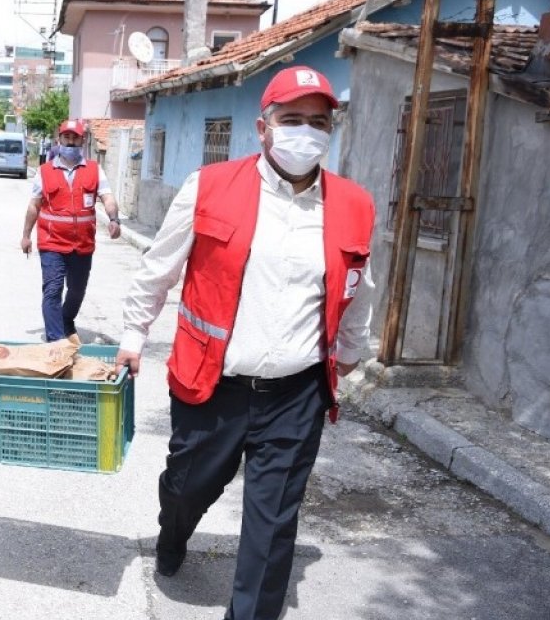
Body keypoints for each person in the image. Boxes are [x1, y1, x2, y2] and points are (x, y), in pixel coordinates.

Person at [113, 66, 375, 620]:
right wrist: (134, 333)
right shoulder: (210, 186)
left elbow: (358, 285)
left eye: (318, 122)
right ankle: (174, 531)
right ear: (263, 127)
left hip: (296, 393)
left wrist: (351, 350)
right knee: (187, 486)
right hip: (214, 383)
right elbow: (159, 268)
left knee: (274, 518)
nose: (306, 131)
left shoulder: (352, 204)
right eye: (292, 119)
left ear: (331, 131)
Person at [20, 119, 120, 341]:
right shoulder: (44, 171)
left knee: (76, 291)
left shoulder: (95, 170)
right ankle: (56, 340)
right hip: (52, 243)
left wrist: (114, 219)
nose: (70, 142)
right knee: (53, 289)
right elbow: (34, 205)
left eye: (75, 137)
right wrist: (26, 235)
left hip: (82, 245)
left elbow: (108, 197)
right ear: (59, 139)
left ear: (82, 140)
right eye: (66, 137)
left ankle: (66, 320)